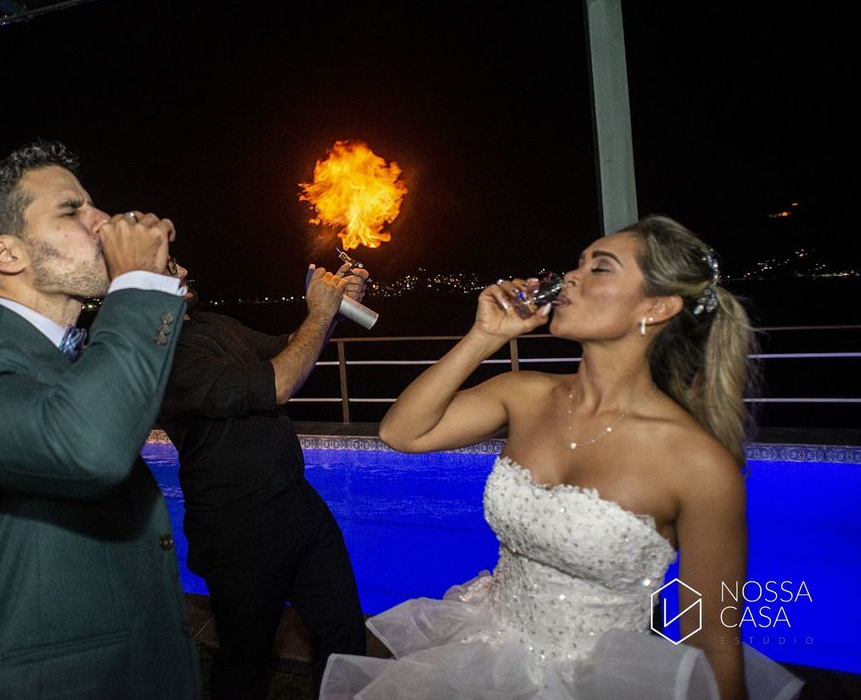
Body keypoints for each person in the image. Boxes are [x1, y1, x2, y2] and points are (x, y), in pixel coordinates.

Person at [320, 215, 804, 700]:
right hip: (482, 658)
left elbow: (712, 637)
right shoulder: (525, 394)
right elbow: (402, 432)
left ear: (657, 307)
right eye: (578, 263)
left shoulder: (697, 463)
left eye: (600, 268)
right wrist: (486, 336)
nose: (571, 276)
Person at [0, 141, 200, 700]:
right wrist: (138, 286)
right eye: (72, 210)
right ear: (6, 255)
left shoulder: (77, 358)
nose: (103, 221)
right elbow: (86, 447)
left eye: (93, 205)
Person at [158, 256, 369, 700]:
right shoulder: (160, 353)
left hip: (297, 504)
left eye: (177, 263)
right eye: (168, 267)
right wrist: (320, 311)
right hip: (238, 527)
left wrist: (334, 310)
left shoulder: (212, 323)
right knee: (244, 663)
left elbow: (290, 348)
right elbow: (278, 383)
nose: (184, 271)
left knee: (344, 635)